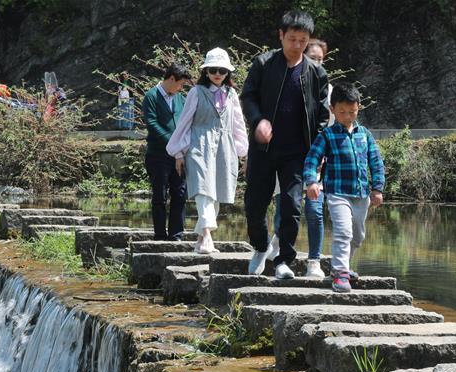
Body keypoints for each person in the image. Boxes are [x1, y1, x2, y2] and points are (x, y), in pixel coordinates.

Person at [241, 10, 329, 279]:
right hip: (264, 149)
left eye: (303, 40)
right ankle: (259, 246)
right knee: (255, 205)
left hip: (297, 152)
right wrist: (258, 121)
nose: (297, 45)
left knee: (291, 207)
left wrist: (319, 150)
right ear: (281, 36)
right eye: (292, 39)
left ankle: (283, 261)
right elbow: (248, 97)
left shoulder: (316, 73)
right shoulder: (264, 64)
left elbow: (324, 116)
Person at [303, 83, 384, 293]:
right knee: (343, 231)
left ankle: (344, 267)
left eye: (352, 112)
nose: (348, 116)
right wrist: (311, 181)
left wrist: (378, 188)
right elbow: (312, 159)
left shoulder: (364, 134)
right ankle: (339, 273)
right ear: (332, 110)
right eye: (342, 112)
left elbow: (375, 161)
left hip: (361, 194)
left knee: (358, 235)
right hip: (337, 193)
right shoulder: (327, 135)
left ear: (359, 108)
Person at [166, 48, 248, 254]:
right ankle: (208, 236)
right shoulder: (196, 92)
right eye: (213, 70)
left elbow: (238, 124)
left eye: (222, 70)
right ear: (206, 71)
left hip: (224, 147)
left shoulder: (231, 94)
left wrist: (243, 152)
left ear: (228, 72)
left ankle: (202, 237)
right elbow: (184, 122)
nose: (217, 74)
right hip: (199, 144)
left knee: (217, 191)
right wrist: (178, 152)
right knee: (203, 189)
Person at [141, 63, 191, 241]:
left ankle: (176, 233)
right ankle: (160, 234)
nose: (181, 88)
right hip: (158, 154)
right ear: (171, 79)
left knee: (179, 193)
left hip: (179, 155)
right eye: (180, 84)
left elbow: (186, 122)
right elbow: (152, 124)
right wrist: (173, 143)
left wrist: (181, 148)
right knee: (159, 195)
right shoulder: (151, 96)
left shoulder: (180, 98)